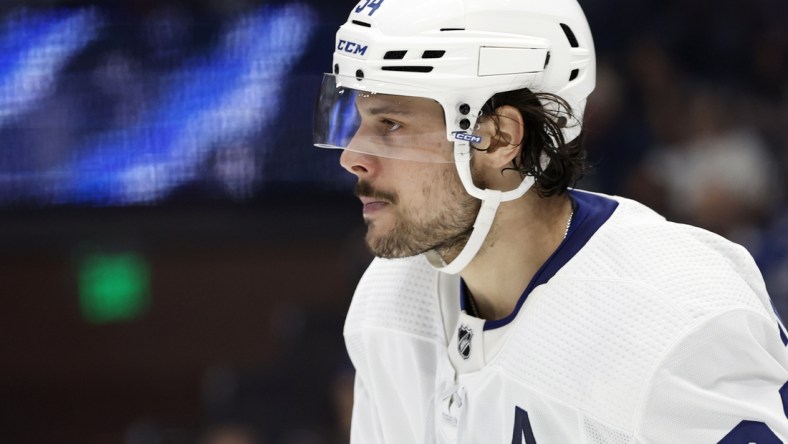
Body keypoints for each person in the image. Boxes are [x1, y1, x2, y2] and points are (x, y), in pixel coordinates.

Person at [312, 0, 788, 442]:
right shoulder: (389, 300)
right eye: (356, 122)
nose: (352, 157)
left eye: (390, 125)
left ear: (498, 139)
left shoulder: (673, 320)